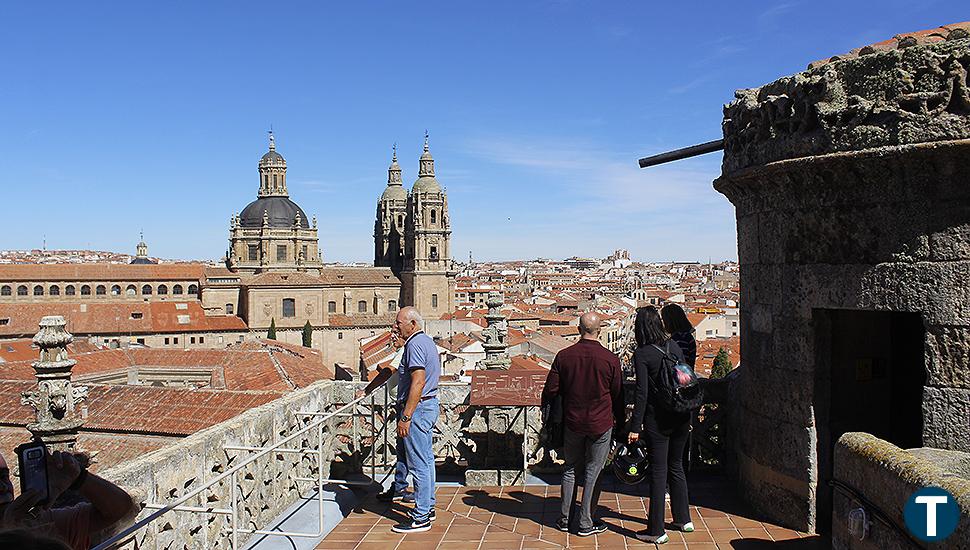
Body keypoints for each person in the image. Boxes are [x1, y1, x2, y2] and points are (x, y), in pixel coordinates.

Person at [542, 312, 624, 537]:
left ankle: (565, 519)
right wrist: (622, 424)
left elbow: (550, 389)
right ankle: (586, 523)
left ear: (579, 329)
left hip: (573, 422)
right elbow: (618, 395)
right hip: (601, 423)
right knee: (593, 472)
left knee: (569, 469)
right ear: (599, 331)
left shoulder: (564, 356)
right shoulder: (610, 359)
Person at [627, 306, 694, 544]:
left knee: (658, 473)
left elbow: (642, 394)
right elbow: (686, 380)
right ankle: (683, 519)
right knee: (676, 466)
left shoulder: (642, 354)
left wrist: (635, 427)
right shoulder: (674, 346)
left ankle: (656, 530)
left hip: (658, 420)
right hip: (681, 416)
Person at [0, 448, 135, 550]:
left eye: (4, 477)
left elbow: (119, 508)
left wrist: (80, 478)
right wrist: (12, 530)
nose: (3, 487)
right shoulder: (35, 526)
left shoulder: (42, 522)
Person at [389, 307, 440, 534]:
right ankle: (427, 507)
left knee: (418, 465)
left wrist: (406, 416)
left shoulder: (415, 345)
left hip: (418, 410)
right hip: (429, 406)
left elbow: (417, 382)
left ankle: (420, 518)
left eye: (399, 323)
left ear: (412, 324)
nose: (395, 327)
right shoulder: (427, 341)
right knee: (427, 461)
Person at [660, 304, 696, 368]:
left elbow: (681, 363)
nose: (663, 323)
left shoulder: (678, 339)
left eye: (663, 319)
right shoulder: (687, 336)